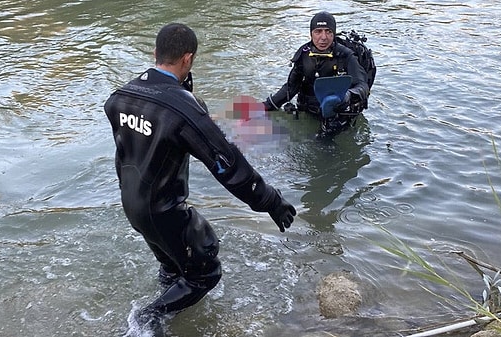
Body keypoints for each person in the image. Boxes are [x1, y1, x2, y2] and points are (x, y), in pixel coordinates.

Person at [103, 23, 296, 333]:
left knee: (172, 264)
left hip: (132, 203)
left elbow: (135, 143)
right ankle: (150, 317)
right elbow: (227, 164)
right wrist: (270, 200)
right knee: (204, 270)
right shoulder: (182, 110)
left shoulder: (121, 96)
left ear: (155, 53)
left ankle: (173, 308)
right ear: (188, 59)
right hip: (163, 209)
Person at [263, 11, 370, 136]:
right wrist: (265, 106)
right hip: (309, 110)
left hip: (337, 113)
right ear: (311, 34)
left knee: (323, 145)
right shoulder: (304, 55)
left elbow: (363, 87)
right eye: (318, 31)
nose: (323, 37)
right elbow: (291, 87)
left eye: (328, 31)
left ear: (333, 34)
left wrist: (347, 96)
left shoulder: (346, 56)